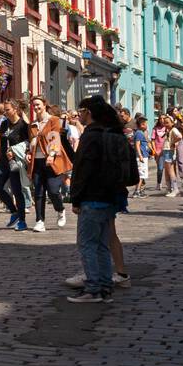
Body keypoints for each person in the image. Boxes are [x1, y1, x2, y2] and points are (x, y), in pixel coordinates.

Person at [67, 96, 133, 303]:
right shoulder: (112, 133)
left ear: (88, 112)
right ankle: (105, 288)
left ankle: (93, 289)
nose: (78, 114)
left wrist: (75, 199)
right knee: (102, 245)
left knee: (87, 244)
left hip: (92, 198)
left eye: (81, 110)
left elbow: (82, 170)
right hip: (111, 197)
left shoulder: (91, 135)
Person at [27, 97, 69, 232]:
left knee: (53, 191)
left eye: (38, 105)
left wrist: (51, 155)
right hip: (37, 161)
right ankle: (40, 221)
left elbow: (55, 137)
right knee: (38, 192)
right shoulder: (33, 124)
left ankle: (60, 209)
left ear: (44, 105)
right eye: (34, 105)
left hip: (52, 160)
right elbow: (31, 141)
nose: (36, 107)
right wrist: (28, 152)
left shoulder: (53, 120)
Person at [0, 100, 29, 231]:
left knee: (16, 191)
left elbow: (27, 143)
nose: (5, 113)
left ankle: (22, 221)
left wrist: (15, 152)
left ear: (15, 109)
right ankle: (14, 211)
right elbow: (2, 144)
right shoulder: (4, 124)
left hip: (15, 163)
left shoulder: (23, 125)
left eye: (7, 110)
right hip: (3, 161)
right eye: (4, 110)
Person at [131, 115, 151, 198]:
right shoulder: (139, 133)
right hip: (141, 157)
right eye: (145, 124)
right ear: (142, 124)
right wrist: (140, 155)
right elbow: (137, 145)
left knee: (141, 175)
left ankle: (137, 190)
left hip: (143, 156)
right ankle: (137, 191)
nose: (146, 125)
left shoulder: (140, 133)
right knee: (141, 175)